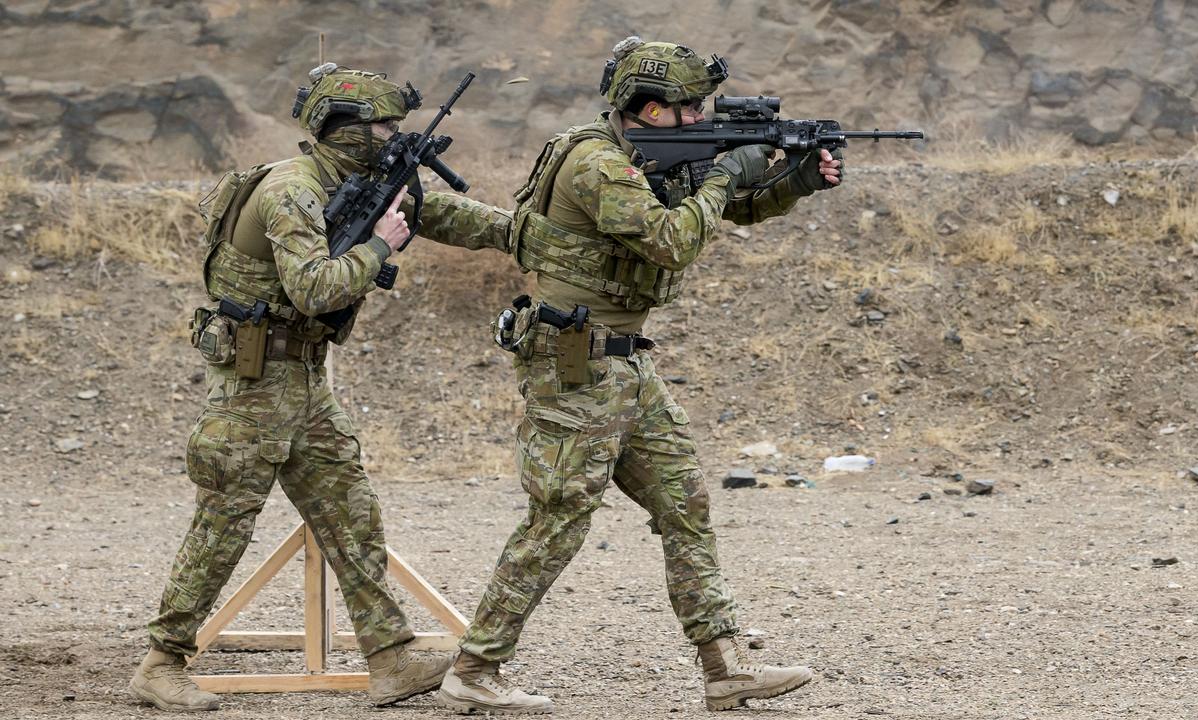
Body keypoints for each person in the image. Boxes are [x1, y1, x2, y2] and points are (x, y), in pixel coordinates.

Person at [437, 37, 842, 715]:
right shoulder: (596, 163)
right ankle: (475, 668)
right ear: (648, 110)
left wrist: (793, 180)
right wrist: (724, 173)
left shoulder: (654, 155)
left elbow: (733, 208)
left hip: (626, 358)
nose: (699, 121)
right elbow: (671, 237)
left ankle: (724, 667)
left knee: (685, 504)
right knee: (560, 517)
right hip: (575, 361)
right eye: (689, 110)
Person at [130, 64, 505, 712]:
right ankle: (162, 663)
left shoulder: (354, 185)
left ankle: (390, 657)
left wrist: (524, 230)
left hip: (301, 378)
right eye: (385, 125)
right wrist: (381, 249)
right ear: (349, 131)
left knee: (350, 511)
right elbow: (313, 288)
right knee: (224, 523)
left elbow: (439, 211)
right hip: (253, 384)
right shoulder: (292, 190)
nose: (393, 136)